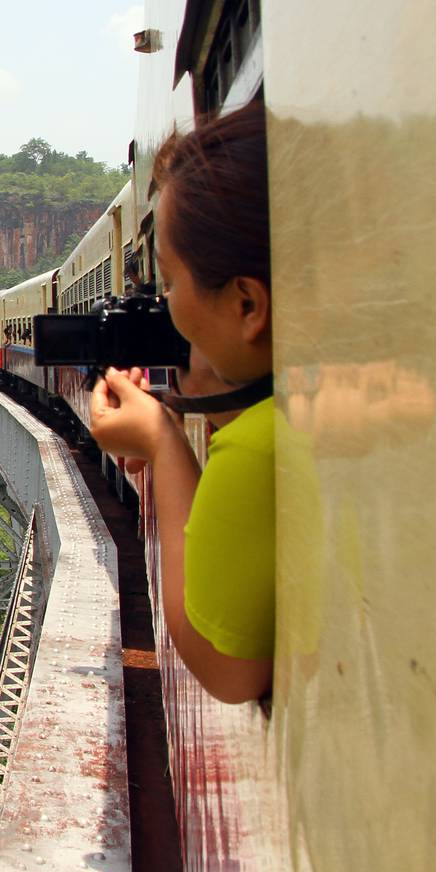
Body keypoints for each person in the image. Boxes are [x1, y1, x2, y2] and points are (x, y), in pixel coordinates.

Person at [90, 102, 274, 704]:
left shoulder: (257, 449)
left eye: (167, 281)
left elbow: (228, 671)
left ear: (247, 305)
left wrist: (163, 443)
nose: (162, 304)